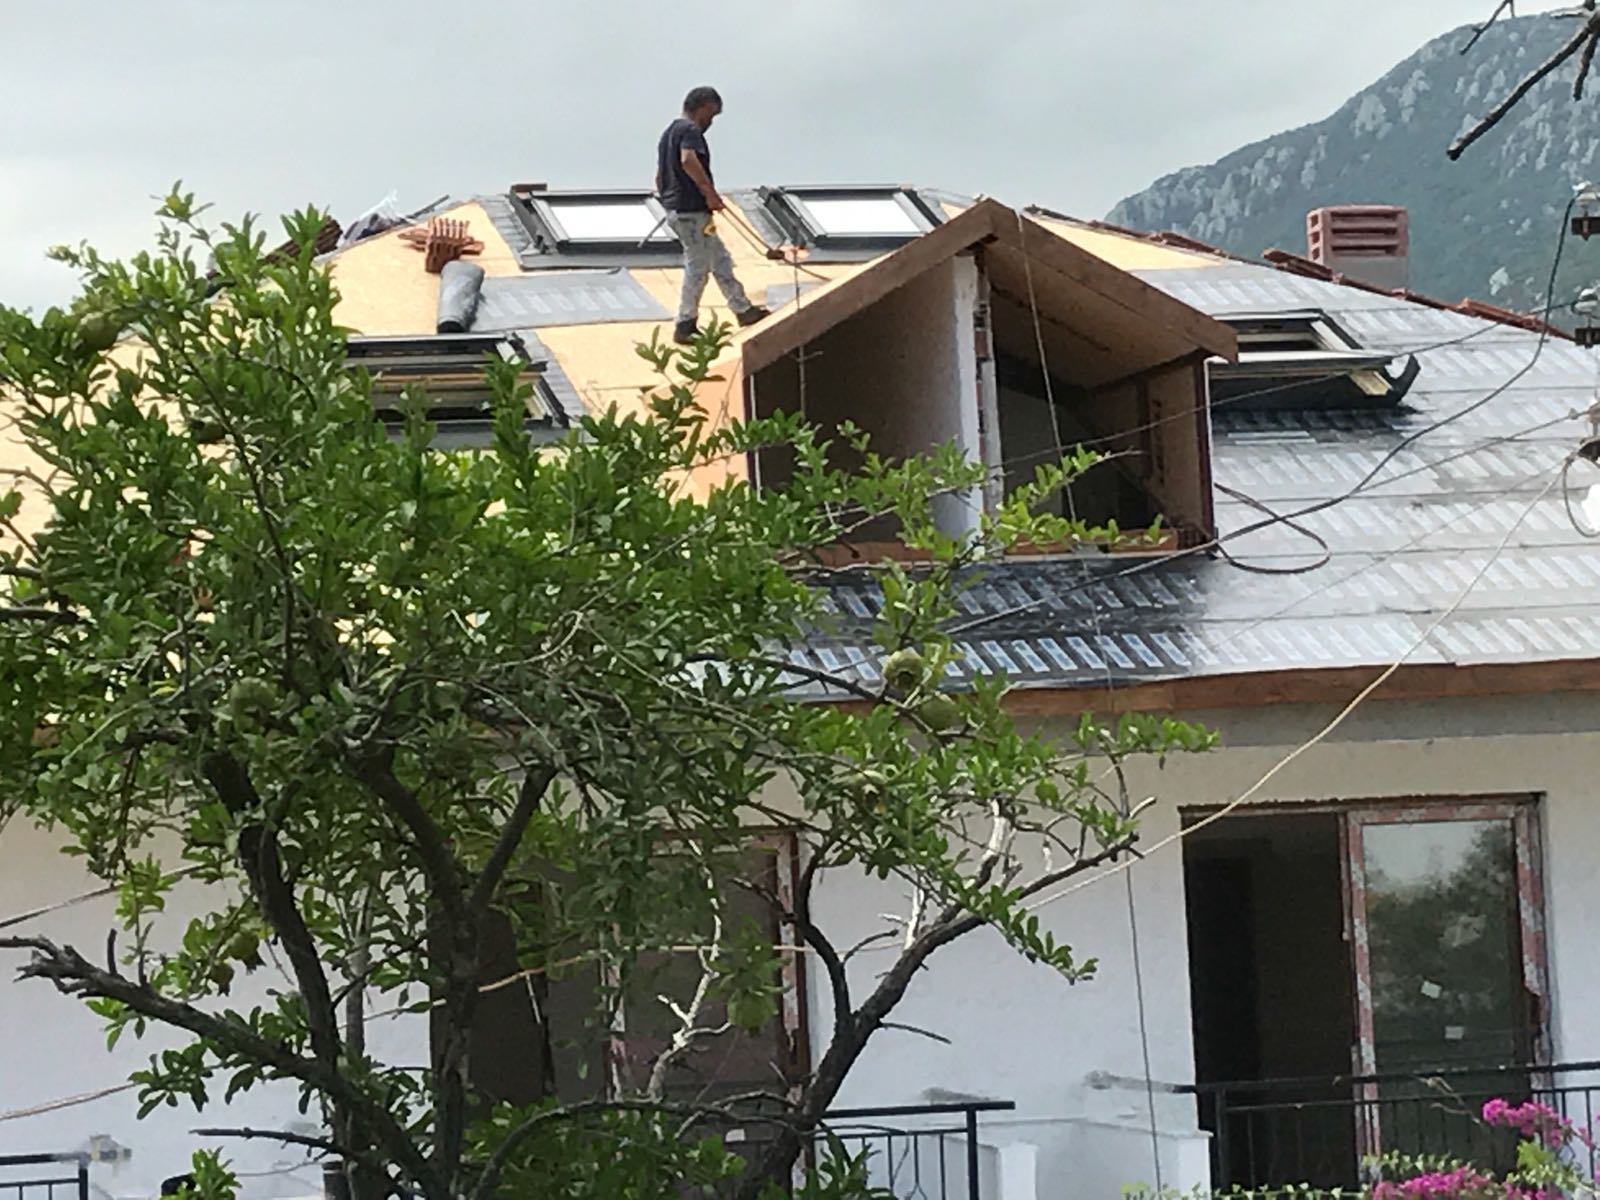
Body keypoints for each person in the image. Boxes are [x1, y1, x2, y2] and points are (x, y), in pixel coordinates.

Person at [655, 86, 768, 344]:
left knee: (720, 259)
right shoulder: (690, 131)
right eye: (712, 114)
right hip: (691, 212)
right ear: (703, 107)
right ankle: (685, 323)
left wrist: (667, 200)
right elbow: (687, 160)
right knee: (698, 266)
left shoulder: (668, 133)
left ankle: (742, 309)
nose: (711, 122)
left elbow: (659, 175)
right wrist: (708, 192)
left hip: (679, 210)